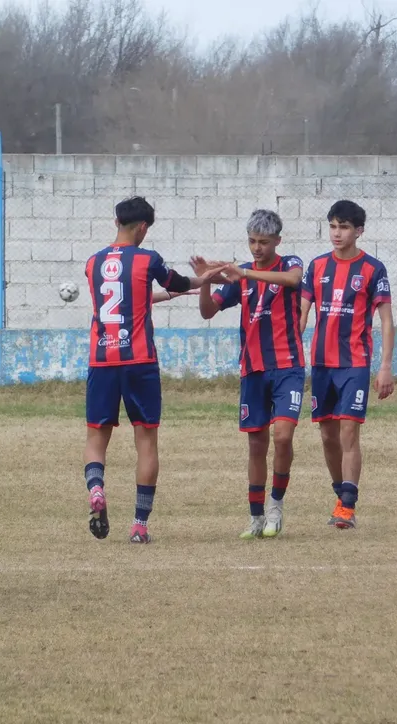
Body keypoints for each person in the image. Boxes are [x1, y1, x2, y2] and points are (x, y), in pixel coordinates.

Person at [84, 196, 221, 543]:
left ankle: (97, 488)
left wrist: (167, 294)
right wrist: (201, 279)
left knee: (96, 438)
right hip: (139, 360)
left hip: (101, 360)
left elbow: (125, 298)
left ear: (116, 221)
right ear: (143, 228)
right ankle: (139, 526)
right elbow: (175, 281)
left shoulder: (93, 262)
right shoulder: (148, 259)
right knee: (146, 441)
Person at [194, 209, 305, 540]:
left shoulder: (288, 264)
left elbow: (294, 281)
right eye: (253, 242)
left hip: (288, 366)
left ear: (277, 242)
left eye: (264, 242)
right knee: (256, 445)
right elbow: (207, 311)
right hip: (252, 370)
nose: (257, 248)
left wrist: (245, 273)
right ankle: (256, 516)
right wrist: (204, 281)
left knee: (283, 436)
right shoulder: (239, 277)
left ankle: (276, 505)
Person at [300, 200, 395, 529]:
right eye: (333, 226)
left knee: (348, 432)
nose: (336, 233)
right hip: (322, 364)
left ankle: (347, 506)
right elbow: (302, 315)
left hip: (354, 363)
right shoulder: (316, 267)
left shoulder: (372, 269)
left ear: (359, 231)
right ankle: (340, 494)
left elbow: (386, 320)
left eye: (343, 227)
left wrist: (385, 366)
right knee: (328, 436)